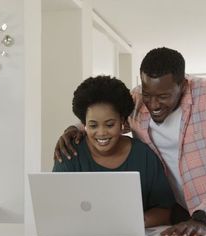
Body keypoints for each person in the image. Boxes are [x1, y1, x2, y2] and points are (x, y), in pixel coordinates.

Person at [55, 47, 206, 236]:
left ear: (183, 85)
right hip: (172, 216)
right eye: (148, 94)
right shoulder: (137, 100)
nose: (152, 104)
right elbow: (107, 119)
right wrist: (73, 130)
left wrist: (203, 216)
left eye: (163, 96)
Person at [53, 75, 176, 228]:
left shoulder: (144, 155)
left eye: (110, 125)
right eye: (93, 126)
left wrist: (130, 224)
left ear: (123, 122)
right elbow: (55, 209)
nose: (102, 133)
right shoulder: (69, 154)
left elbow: (164, 210)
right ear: (83, 124)